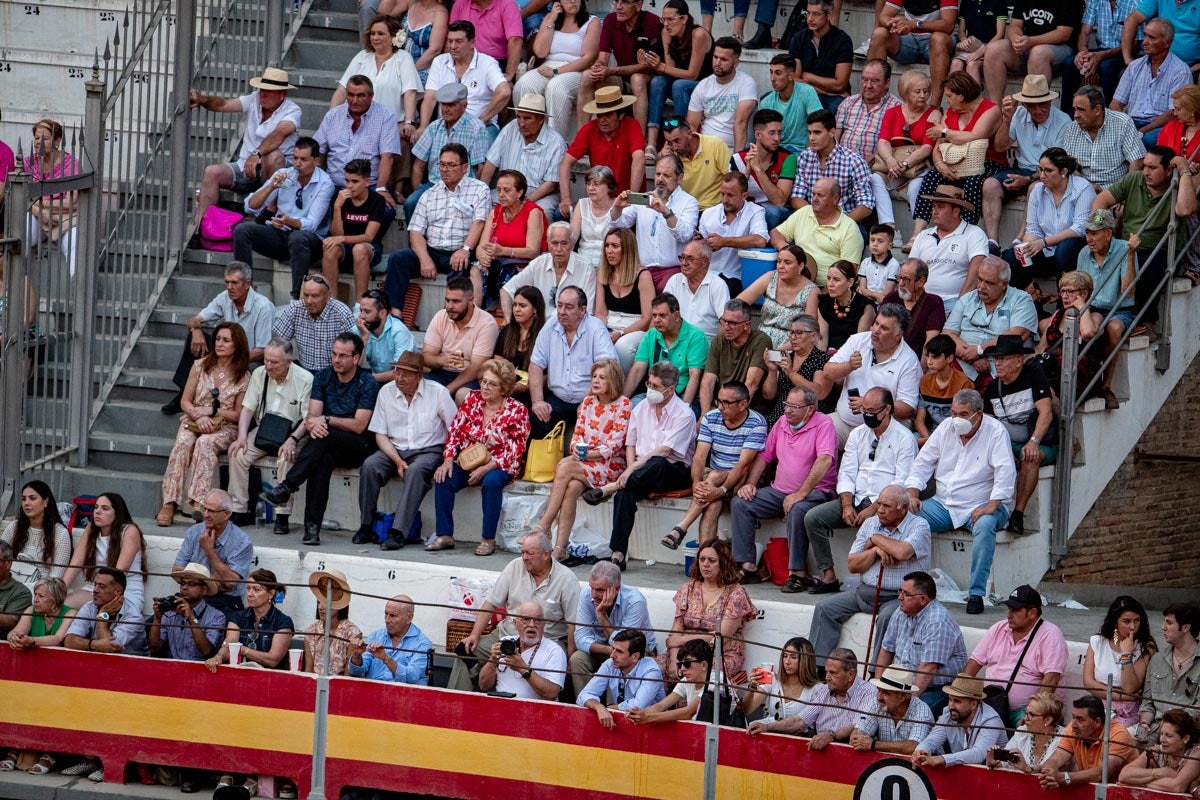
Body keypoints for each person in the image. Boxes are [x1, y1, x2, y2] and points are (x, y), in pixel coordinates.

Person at [259, 332, 379, 547]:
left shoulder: (367, 382)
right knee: (320, 460)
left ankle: (287, 486)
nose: (336, 360)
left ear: (356, 358)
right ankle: (311, 529)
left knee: (323, 437)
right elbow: (312, 417)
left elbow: (359, 425)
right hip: (329, 443)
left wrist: (325, 420)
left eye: (343, 356)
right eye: (334, 354)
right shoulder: (324, 376)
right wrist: (302, 433)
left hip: (359, 445)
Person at [904, 389, 1016, 614]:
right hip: (944, 504)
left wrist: (990, 507)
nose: (957, 419)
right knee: (906, 517)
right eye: (954, 413)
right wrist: (913, 493)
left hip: (982, 503)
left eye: (963, 414)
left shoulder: (995, 431)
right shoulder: (946, 427)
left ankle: (976, 594)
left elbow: (1005, 472)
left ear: (978, 414)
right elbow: (923, 463)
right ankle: (911, 586)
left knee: (985, 526)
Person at [803, 386, 919, 583]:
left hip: (883, 502)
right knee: (813, 518)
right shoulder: (857, 434)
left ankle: (872, 581)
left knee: (877, 524)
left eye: (872, 411)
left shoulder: (905, 438)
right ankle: (828, 575)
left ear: (888, 409)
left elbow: (901, 483)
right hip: (855, 498)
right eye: (864, 410)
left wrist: (875, 508)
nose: (867, 415)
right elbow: (847, 471)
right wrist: (847, 505)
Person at [587, 361, 695, 570]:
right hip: (640, 472)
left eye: (656, 387)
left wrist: (630, 472)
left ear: (671, 389)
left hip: (672, 471)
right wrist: (630, 469)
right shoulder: (642, 406)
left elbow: (665, 451)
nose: (650, 390)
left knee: (657, 462)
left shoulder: (684, 414)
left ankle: (611, 487)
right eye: (649, 384)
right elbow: (631, 443)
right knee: (624, 495)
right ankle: (618, 553)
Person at [809, 485, 932, 665]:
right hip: (864, 593)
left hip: (898, 597)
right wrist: (875, 551)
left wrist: (875, 539)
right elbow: (852, 565)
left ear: (903, 508)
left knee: (888, 618)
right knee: (824, 608)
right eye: (879, 504)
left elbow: (902, 552)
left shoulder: (919, 525)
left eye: (887, 506)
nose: (880, 510)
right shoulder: (870, 523)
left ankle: (876, 672)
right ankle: (818, 668)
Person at [731, 385, 837, 585]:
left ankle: (797, 573)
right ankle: (748, 565)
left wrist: (801, 493)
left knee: (797, 509)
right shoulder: (781, 422)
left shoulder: (824, 424)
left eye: (794, 407)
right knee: (740, 502)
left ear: (810, 409)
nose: (787, 410)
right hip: (779, 491)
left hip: (816, 492)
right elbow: (764, 456)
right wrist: (750, 483)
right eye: (787, 404)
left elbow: (824, 460)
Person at [448, 532, 577, 691]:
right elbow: (490, 604)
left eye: (529, 553)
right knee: (464, 650)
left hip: (546, 641)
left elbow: (573, 625)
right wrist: (474, 635)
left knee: (551, 666)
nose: (524, 557)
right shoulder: (515, 566)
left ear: (546, 554)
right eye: (522, 552)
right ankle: (459, 703)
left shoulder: (566, 579)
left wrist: (570, 657)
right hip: (506, 635)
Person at [355, 351, 457, 550]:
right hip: (394, 448)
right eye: (397, 372)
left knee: (415, 471)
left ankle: (398, 531)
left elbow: (455, 429)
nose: (399, 378)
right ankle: (366, 524)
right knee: (370, 465)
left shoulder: (438, 392)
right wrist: (397, 460)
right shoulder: (386, 392)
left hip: (428, 450)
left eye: (406, 374)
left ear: (419, 376)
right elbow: (380, 435)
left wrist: (448, 458)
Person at [530, 358, 630, 558]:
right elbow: (577, 434)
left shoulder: (624, 405)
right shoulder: (587, 402)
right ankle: (560, 548)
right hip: (585, 464)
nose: (596, 381)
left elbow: (613, 446)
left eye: (602, 377)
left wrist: (585, 455)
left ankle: (543, 526)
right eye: (594, 376)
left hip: (610, 466)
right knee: (571, 488)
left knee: (565, 467)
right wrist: (576, 449)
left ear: (613, 380)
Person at [431, 357, 530, 555]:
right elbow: (455, 432)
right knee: (444, 478)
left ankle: (487, 539)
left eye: (492, 384)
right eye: (483, 381)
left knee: (492, 483)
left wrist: (486, 468)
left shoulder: (517, 411)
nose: (485, 387)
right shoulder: (472, 399)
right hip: (470, 458)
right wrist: (448, 459)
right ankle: (445, 535)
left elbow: (515, 451)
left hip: (499, 463)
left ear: (504, 388)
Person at [1092, 145, 1196, 334]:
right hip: (1127, 244)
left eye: (1152, 168)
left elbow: (1185, 210)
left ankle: (1147, 321)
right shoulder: (1134, 178)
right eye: (1145, 166)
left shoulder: (1178, 183)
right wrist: (1102, 227)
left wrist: (1184, 170)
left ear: (1168, 170)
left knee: (1150, 264)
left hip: (1161, 247)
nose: (1146, 172)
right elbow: (1101, 201)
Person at [158, 321, 249, 529]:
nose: (220, 344)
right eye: (217, 339)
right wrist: (199, 417)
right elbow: (185, 401)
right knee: (182, 443)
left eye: (226, 340)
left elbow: (237, 413)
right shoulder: (200, 366)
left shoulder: (243, 375)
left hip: (225, 426)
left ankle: (199, 503)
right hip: (194, 419)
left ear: (237, 345)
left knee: (206, 444)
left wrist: (214, 412)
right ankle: (170, 503)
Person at [384, 144, 492, 312]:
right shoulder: (429, 193)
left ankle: (450, 316)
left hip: (460, 251)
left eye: (451, 165)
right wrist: (424, 258)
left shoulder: (479, 189)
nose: (445, 169)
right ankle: (394, 314)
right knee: (398, 259)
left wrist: (465, 249)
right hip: (433, 250)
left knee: (461, 265)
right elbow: (416, 230)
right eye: (442, 164)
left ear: (465, 168)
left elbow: (479, 222)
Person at [663, 381, 766, 549]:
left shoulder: (757, 422)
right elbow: (699, 457)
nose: (720, 407)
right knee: (713, 501)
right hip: (713, 477)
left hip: (742, 480)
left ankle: (681, 528)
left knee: (715, 477)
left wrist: (722, 489)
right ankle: (705, 558)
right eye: (719, 401)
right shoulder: (711, 418)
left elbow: (743, 465)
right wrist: (697, 484)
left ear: (743, 404)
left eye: (726, 403)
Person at [161, 262, 275, 415]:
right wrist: (196, 330)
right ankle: (185, 392)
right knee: (193, 338)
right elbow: (193, 320)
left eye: (234, 283)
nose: (229, 287)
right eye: (226, 282)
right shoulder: (224, 298)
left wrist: (230, 359)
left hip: (249, 359)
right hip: (225, 352)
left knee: (254, 369)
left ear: (248, 284)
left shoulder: (263, 307)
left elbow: (262, 351)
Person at [189, 69, 302, 222]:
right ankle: (202, 227)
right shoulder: (254, 99)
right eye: (262, 90)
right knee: (211, 172)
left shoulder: (293, 110)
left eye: (269, 92)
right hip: (245, 167)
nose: (263, 94)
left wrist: (256, 153)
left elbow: (279, 134)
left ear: (282, 94)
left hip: (275, 172)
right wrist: (202, 100)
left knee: (273, 156)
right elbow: (224, 104)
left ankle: (270, 209)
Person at [226, 338, 313, 533]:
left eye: (274, 362)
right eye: (266, 360)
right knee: (238, 453)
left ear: (289, 362)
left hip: (294, 430)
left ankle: (282, 514)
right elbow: (248, 409)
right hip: (266, 428)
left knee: (286, 457)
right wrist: (241, 437)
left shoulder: (305, 379)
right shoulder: (259, 373)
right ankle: (239, 509)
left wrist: (293, 440)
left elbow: (308, 419)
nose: (268, 365)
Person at [233, 137, 336, 301]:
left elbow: (312, 224)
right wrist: (271, 187)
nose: (297, 164)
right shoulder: (283, 174)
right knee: (242, 230)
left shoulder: (325, 183)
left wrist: (290, 221)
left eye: (303, 159)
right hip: (280, 233)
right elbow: (249, 206)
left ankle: (297, 298)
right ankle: (244, 289)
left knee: (298, 237)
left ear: (316, 161)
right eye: (295, 158)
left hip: (311, 240)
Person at [983, 75, 1071, 250]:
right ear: (1024, 105)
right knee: (989, 185)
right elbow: (1000, 147)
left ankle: (1020, 237)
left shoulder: (1063, 121)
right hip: (1021, 168)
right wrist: (1006, 120)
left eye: (1042, 104)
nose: (1038, 110)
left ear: (1050, 101)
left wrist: (1029, 179)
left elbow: (1058, 164)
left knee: (1034, 187)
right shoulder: (1019, 114)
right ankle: (992, 241)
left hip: (1048, 173)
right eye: (1032, 105)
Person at [911, 73, 1004, 238]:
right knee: (931, 176)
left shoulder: (990, 109)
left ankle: (965, 234)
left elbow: (976, 136)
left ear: (961, 95)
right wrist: (940, 165)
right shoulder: (951, 112)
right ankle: (917, 233)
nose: (946, 100)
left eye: (949, 96)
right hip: (954, 163)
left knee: (973, 182)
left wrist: (945, 131)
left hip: (986, 163)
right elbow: (938, 145)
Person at [981, 335, 1057, 534]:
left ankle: (1018, 513)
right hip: (1009, 443)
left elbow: (1046, 413)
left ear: (1018, 360)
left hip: (1040, 441)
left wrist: (1033, 441)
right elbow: (988, 426)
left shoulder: (1034, 376)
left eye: (1003, 359)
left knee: (1029, 456)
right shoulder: (991, 388)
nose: (998, 363)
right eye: (996, 359)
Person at [964, 584, 1069, 725]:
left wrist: (1033, 713)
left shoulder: (1050, 635)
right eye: (1009, 609)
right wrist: (960, 696)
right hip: (991, 704)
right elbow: (972, 666)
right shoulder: (998, 628)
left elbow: (1051, 680)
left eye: (1016, 610)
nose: (1009, 615)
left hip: (1026, 711)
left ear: (1032, 613)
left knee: (1031, 723)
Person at [659, 538, 758, 685]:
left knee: (697, 670)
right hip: (685, 653)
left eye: (712, 560)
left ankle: (692, 708)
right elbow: (676, 630)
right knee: (655, 668)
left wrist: (680, 640)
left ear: (723, 564)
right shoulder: (688, 588)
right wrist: (674, 660)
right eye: (702, 559)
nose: (705, 564)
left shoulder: (736, 593)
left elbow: (721, 636)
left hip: (720, 654)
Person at [818, 304, 921, 443]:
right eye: (876, 323)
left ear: (898, 334)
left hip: (882, 430)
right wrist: (848, 366)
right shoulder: (858, 340)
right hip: (844, 422)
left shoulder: (909, 361)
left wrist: (869, 405)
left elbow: (907, 408)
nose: (876, 330)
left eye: (884, 328)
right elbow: (828, 372)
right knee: (814, 433)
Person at [528, 286, 619, 438]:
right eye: (559, 305)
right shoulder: (551, 325)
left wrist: (591, 400)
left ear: (582, 310)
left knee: (587, 439)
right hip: (558, 398)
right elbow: (536, 364)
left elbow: (607, 370)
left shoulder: (596, 329)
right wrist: (538, 402)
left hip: (591, 399)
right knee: (536, 420)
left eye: (569, 307)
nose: (562, 311)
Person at [1002, 148, 1095, 289]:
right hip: (1047, 251)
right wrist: (1027, 248)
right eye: (1040, 170)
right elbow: (1033, 229)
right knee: (1011, 256)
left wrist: (1044, 242)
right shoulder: (1037, 191)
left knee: (1065, 248)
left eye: (1048, 170)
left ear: (1063, 172)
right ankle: (1028, 300)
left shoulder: (1082, 188)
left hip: (1074, 250)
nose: (1042, 175)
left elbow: (1080, 228)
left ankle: (1064, 304)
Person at [748, 648, 875, 749]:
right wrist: (767, 727)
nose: (827, 677)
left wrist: (831, 736)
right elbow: (800, 721)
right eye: (826, 672)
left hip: (849, 753)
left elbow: (859, 726)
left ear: (850, 674)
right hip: (819, 749)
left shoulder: (868, 692)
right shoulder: (825, 690)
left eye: (833, 673)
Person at [877, 571, 968, 709]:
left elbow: (928, 668)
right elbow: (886, 650)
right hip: (902, 684)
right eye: (900, 591)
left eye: (906, 594)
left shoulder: (937, 620)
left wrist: (908, 703)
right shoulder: (900, 612)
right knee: (873, 705)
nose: (900, 597)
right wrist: (879, 688)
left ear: (923, 600)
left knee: (916, 712)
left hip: (936, 688)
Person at [609, 153, 699, 292]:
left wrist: (666, 212)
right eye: (658, 174)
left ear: (679, 178)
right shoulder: (644, 199)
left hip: (673, 271)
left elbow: (685, 235)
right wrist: (617, 208)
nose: (660, 179)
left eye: (666, 175)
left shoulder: (689, 202)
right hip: (642, 271)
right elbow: (618, 226)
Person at [514, 0, 599, 141]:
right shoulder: (550, 18)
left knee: (556, 87)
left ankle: (555, 142)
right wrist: (552, 18)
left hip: (576, 69)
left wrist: (556, 71)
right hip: (549, 65)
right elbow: (540, 52)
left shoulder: (592, 21)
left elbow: (588, 58)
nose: (572, 1)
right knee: (524, 84)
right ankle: (527, 138)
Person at [942, 256, 1038, 380]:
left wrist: (979, 350)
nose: (981, 286)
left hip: (1003, 370)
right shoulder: (967, 299)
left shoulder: (1021, 300)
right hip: (963, 365)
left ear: (1004, 284)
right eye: (980, 279)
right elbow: (948, 333)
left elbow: (1016, 336)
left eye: (989, 283)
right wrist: (971, 356)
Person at [406, 82, 491, 221]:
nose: (445, 109)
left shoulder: (476, 128)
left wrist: (475, 194)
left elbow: (480, 168)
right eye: (443, 105)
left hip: (463, 187)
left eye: (451, 105)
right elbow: (418, 165)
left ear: (464, 106)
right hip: (434, 184)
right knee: (411, 203)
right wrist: (419, 192)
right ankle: (414, 243)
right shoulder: (434, 127)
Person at [570, 562, 658, 695]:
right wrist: (611, 650)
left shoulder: (635, 601)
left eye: (599, 590)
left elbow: (626, 644)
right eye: (591, 587)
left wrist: (601, 614)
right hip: (606, 648)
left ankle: (613, 710)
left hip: (636, 651)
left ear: (616, 588)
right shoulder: (587, 594)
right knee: (577, 659)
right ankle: (586, 704)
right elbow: (581, 639)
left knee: (620, 659)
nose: (593, 594)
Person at [575, 0, 661, 131]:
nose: (619, 7)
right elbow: (603, 57)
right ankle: (582, 136)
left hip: (648, 81)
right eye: (616, 1)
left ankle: (639, 139)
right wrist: (599, 66)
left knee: (636, 78)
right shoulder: (610, 20)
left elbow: (648, 66)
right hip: (621, 78)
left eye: (625, 2)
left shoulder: (652, 21)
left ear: (638, 5)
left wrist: (612, 70)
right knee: (588, 75)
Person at [332, 15, 422, 139]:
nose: (375, 38)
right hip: (358, 123)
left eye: (380, 34)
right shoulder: (362, 57)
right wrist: (332, 116)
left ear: (393, 36)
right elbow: (342, 89)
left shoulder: (403, 58)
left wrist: (408, 122)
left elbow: (410, 91)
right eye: (373, 33)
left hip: (392, 126)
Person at [560, 87, 646, 213]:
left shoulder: (632, 125)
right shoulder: (589, 129)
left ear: (621, 115)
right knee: (561, 214)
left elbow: (639, 159)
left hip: (632, 198)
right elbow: (565, 163)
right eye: (599, 115)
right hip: (601, 200)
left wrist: (631, 198)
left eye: (608, 115)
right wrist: (566, 199)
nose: (602, 120)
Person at [479, 96, 567, 219]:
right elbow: (491, 162)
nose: (521, 123)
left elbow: (550, 184)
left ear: (541, 119)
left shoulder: (556, 142)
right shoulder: (511, 128)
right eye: (518, 117)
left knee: (541, 213)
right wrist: (481, 191)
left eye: (527, 118)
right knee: (482, 206)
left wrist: (523, 202)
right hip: (507, 190)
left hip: (540, 195)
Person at [645, 0, 713, 157]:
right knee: (658, 82)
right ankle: (652, 144)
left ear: (684, 19)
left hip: (703, 85)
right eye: (664, 19)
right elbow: (670, 70)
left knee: (679, 86)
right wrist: (658, 64)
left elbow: (693, 74)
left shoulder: (698, 34)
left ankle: (680, 137)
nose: (666, 24)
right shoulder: (666, 33)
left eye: (671, 19)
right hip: (680, 83)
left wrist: (661, 67)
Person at [170, 490, 254, 618]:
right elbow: (177, 570)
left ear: (226, 514)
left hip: (224, 600)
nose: (206, 515)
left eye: (211, 511)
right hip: (192, 596)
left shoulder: (242, 542)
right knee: (155, 621)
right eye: (205, 509)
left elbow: (230, 582)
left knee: (217, 628)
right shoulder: (194, 532)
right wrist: (213, 582)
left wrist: (209, 551)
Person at [908, 184, 989, 315]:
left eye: (940, 207)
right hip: (922, 301)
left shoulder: (974, 234)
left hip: (954, 302)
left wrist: (960, 305)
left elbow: (978, 269)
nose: (934, 211)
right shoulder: (923, 235)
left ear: (956, 211)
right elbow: (910, 270)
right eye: (934, 206)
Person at [313, 74, 401, 193]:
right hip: (332, 184)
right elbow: (317, 150)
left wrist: (381, 188)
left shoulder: (386, 116)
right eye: (350, 95)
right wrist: (316, 180)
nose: (354, 101)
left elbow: (387, 157)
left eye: (360, 96)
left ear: (371, 96)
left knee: (386, 211)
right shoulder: (333, 115)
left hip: (368, 186)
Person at [770, 178, 865, 288]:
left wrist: (822, 296)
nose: (814, 199)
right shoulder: (804, 212)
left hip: (826, 288)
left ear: (835, 199)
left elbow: (848, 271)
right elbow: (775, 233)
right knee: (768, 278)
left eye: (820, 195)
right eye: (813, 194)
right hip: (793, 281)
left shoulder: (850, 229)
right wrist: (785, 247)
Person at [789, 110, 875, 230]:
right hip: (811, 219)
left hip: (845, 221)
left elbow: (866, 204)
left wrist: (839, 224)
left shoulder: (853, 160)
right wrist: (817, 219)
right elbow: (796, 197)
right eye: (809, 133)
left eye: (817, 132)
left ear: (832, 132)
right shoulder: (805, 156)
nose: (811, 138)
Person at [420, 21, 512, 134]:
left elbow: (504, 92)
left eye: (459, 42)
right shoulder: (439, 61)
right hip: (445, 127)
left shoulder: (487, 63)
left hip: (482, 128)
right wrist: (423, 126)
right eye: (450, 41)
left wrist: (480, 121)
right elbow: (430, 97)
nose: (453, 46)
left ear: (472, 42)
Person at [61, 493, 146, 613]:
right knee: (59, 607)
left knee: (102, 613)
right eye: (96, 507)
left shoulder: (130, 531)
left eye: (105, 508)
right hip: (95, 588)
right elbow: (76, 562)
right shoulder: (91, 528)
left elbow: (119, 573)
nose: (97, 512)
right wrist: (60, 590)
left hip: (123, 591)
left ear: (117, 513)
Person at [981, 0, 1078, 106]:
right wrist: (1016, 39)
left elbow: (1063, 34)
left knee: (1038, 53)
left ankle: (1037, 110)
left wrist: (1031, 41)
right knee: (993, 49)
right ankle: (995, 110)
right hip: (1028, 45)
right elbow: (1014, 25)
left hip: (1060, 49)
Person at [1111, 19, 1192, 147]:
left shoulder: (1181, 72)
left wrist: (1142, 131)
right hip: (1131, 122)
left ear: (1167, 42)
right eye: (1144, 35)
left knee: (1148, 139)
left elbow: (1173, 113)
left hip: (1160, 125)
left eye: (1151, 37)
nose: (1145, 42)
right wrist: (1122, 126)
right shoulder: (1134, 66)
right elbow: (1116, 103)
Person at [321, 159, 391, 301]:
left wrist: (342, 239)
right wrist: (337, 207)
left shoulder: (377, 200)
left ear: (367, 182)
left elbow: (369, 236)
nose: (349, 186)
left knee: (359, 249)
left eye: (355, 181)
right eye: (347, 181)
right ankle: (331, 302)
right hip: (345, 247)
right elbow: (337, 235)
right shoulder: (340, 198)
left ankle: (360, 304)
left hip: (370, 248)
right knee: (330, 248)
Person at [1082, 596, 1156, 730]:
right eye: (1126, 621)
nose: (1132, 627)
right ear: (1115, 622)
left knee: (1114, 735)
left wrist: (1126, 655)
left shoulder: (1146, 648)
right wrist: (1120, 695)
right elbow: (1088, 683)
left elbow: (1130, 688)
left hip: (1127, 712)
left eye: (1137, 621)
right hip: (1098, 706)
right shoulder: (1098, 642)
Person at [475, 169, 549, 302]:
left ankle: (508, 318)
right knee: (474, 271)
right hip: (497, 260)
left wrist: (504, 250)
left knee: (507, 273)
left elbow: (533, 251)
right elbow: (482, 245)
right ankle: (477, 315)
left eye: (507, 190)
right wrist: (481, 255)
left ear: (520, 192)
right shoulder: (495, 212)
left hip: (523, 262)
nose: (501, 195)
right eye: (498, 190)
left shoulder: (533, 212)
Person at [622, 293, 708, 407]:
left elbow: (694, 376)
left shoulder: (696, 337)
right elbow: (637, 370)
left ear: (676, 316)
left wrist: (683, 409)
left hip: (681, 397)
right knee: (632, 406)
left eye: (662, 315)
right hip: (653, 395)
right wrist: (621, 402)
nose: (656, 320)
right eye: (654, 315)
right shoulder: (651, 335)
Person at [1037, 695, 1139, 788]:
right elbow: (1057, 758)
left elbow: (1102, 773)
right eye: (1073, 717)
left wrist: (1065, 777)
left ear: (1097, 722)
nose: (1074, 724)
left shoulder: (1118, 734)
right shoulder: (1073, 729)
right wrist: (1049, 772)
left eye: (1080, 719)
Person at [1134, 603, 1200, 744]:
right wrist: (1144, 724)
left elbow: (1198, 709)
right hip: (1156, 727)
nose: (1163, 627)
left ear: (1186, 627)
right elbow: (1148, 702)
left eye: (1169, 623)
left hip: (1188, 732)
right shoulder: (1158, 659)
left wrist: (1172, 728)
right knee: (1124, 744)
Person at [421, 278, 500, 395]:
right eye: (447, 300)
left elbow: (477, 368)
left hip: (471, 377)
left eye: (456, 301)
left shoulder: (487, 323)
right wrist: (441, 360)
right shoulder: (441, 316)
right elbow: (426, 355)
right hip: (441, 371)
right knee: (415, 384)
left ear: (471, 300)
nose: (449, 306)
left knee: (462, 395)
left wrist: (448, 390)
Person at [502, 222, 596, 321]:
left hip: (571, 327)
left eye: (564, 243)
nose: (559, 249)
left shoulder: (586, 268)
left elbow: (587, 312)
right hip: (539, 328)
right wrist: (509, 321)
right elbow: (507, 290)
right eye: (554, 243)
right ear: (548, 244)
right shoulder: (538, 263)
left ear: (572, 245)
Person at [870, 0, 956, 106]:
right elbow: (884, 15)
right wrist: (894, 24)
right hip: (909, 39)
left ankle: (935, 107)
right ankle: (875, 102)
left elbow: (948, 25)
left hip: (935, 41)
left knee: (938, 39)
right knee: (879, 34)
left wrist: (916, 24)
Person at [593, 228, 655, 374]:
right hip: (609, 325)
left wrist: (621, 333)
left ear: (627, 249)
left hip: (636, 328)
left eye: (615, 246)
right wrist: (601, 333)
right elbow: (600, 312)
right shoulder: (602, 273)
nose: (609, 251)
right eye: (607, 246)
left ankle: (619, 386)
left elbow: (647, 318)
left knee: (623, 346)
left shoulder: (643, 276)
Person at [206, 569, 294, 671]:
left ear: (271, 594)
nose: (250, 594)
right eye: (248, 589)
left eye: (256, 590)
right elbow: (230, 640)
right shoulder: (238, 616)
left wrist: (243, 650)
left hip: (270, 679)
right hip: (240, 674)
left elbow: (273, 660)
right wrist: (219, 657)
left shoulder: (283, 622)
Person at [698, 299, 772, 418]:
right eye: (724, 321)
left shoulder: (761, 340)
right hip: (720, 407)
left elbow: (752, 384)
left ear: (747, 325)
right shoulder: (719, 340)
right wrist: (704, 415)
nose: (726, 327)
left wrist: (730, 415)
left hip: (747, 409)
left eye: (732, 323)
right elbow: (708, 381)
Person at [912, 673, 1008, 766]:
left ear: (973, 704)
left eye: (957, 701)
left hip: (995, 776)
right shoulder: (948, 713)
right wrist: (920, 751)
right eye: (950, 699)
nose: (951, 705)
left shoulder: (991, 720)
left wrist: (943, 759)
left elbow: (978, 754)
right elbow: (932, 740)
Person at [1062, 86, 1146, 191]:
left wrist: (1125, 194)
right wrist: (1084, 187)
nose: (1075, 115)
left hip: (1115, 190)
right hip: (1082, 190)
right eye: (1074, 109)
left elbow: (1137, 161)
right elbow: (1070, 166)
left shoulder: (1122, 123)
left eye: (1081, 110)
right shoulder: (1073, 128)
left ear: (1097, 110)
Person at [271, 274, 358, 374]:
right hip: (304, 371)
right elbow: (278, 342)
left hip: (334, 373)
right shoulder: (296, 308)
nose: (309, 301)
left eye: (315, 296)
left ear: (328, 296)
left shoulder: (342, 313)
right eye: (306, 295)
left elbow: (352, 352)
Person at [697, 172, 769, 292]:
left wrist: (724, 242)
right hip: (707, 274)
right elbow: (701, 249)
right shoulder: (708, 214)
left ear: (744, 196)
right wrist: (699, 244)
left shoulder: (755, 212)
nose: (724, 200)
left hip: (735, 277)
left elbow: (760, 240)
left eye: (730, 195)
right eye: (722, 194)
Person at [1038, 271, 1102, 402]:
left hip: (1079, 374)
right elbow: (1042, 347)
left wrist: (1082, 307)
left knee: (1044, 391)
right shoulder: (1058, 314)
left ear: (1084, 293)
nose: (1065, 296)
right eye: (1062, 291)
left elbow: (1087, 333)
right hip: (1054, 371)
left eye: (1071, 291)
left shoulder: (1095, 316)